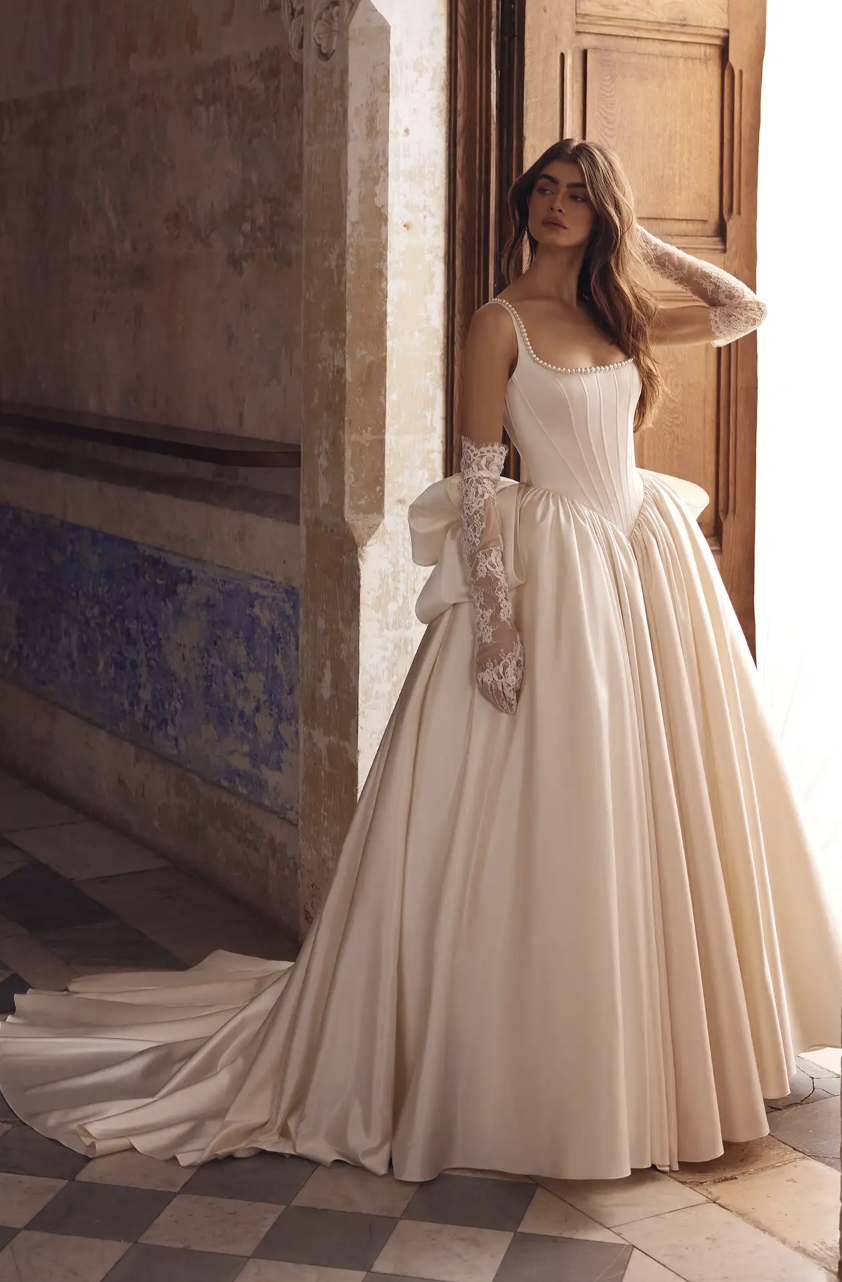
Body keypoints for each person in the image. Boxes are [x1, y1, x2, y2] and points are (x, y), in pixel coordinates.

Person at [0, 138, 839, 1183]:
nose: (557, 206)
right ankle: (540, 1067)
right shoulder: (500, 321)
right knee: (557, 811)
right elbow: (478, 482)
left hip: (640, 569)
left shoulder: (616, 312)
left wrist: (642, 239)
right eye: (545, 189)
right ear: (523, 204)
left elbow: (739, 309)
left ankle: (665, 1049)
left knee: (655, 804)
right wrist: (494, 623)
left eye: (580, 194)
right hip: (558, 578)